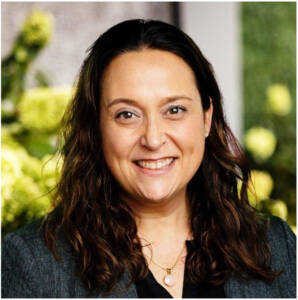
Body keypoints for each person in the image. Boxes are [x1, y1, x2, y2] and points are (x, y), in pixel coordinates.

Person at [2, 19, 296, 298]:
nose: (153, 139)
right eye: (127, 115)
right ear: (96, 127)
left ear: (207, 117)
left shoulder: (275, 245)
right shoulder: (32, 262)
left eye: (174, 110)